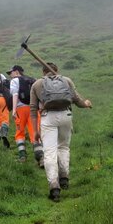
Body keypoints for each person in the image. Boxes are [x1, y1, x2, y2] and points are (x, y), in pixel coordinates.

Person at [30, 62, 92, 202]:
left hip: (48, 118)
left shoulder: (37, 84)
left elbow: (33, 109)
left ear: (43, 71)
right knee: (63, 147)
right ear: (56, 70)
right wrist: (87, 103)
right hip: (66, 116)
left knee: (50, 151)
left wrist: (35, 131)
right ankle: (64, 177)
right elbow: (77, 101)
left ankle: (54, 187)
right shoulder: (66, 80)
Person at [7, 65, 43, 163]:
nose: (10, 75)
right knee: (35, 132)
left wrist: (14, 110)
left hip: (20, 109)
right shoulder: (32, 80)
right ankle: (40, 157)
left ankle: (22, 156)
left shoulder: (14, 81)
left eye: (11, 72)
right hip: (33, 109)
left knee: (20, 132)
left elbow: (15, 95)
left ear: (17, 72)